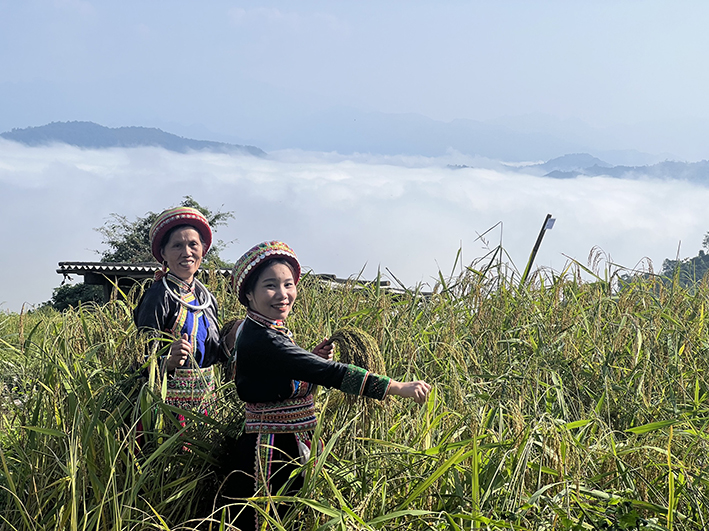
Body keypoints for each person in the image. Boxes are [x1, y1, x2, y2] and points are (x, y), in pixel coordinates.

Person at [222, 240, 431, 529]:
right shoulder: (264, 337)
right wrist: (396, 387)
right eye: (270, 286)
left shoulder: (264, 328)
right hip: (272, 452)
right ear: (248, 293)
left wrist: (309, 359)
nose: (282, 294)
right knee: (272, 520)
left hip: (284, 442)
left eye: (288, 284)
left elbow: (281, 371)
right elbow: (331, 373)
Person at [133, 206, 226, 422]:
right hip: (167, 409)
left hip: (206, 405)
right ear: (163, 254)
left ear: (203, 249)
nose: (187, 252)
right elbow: (139, 360)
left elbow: (216, 353)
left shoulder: (207, 299)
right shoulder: (158, 295)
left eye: (193, 244)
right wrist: (169, 361)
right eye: (177, 246)